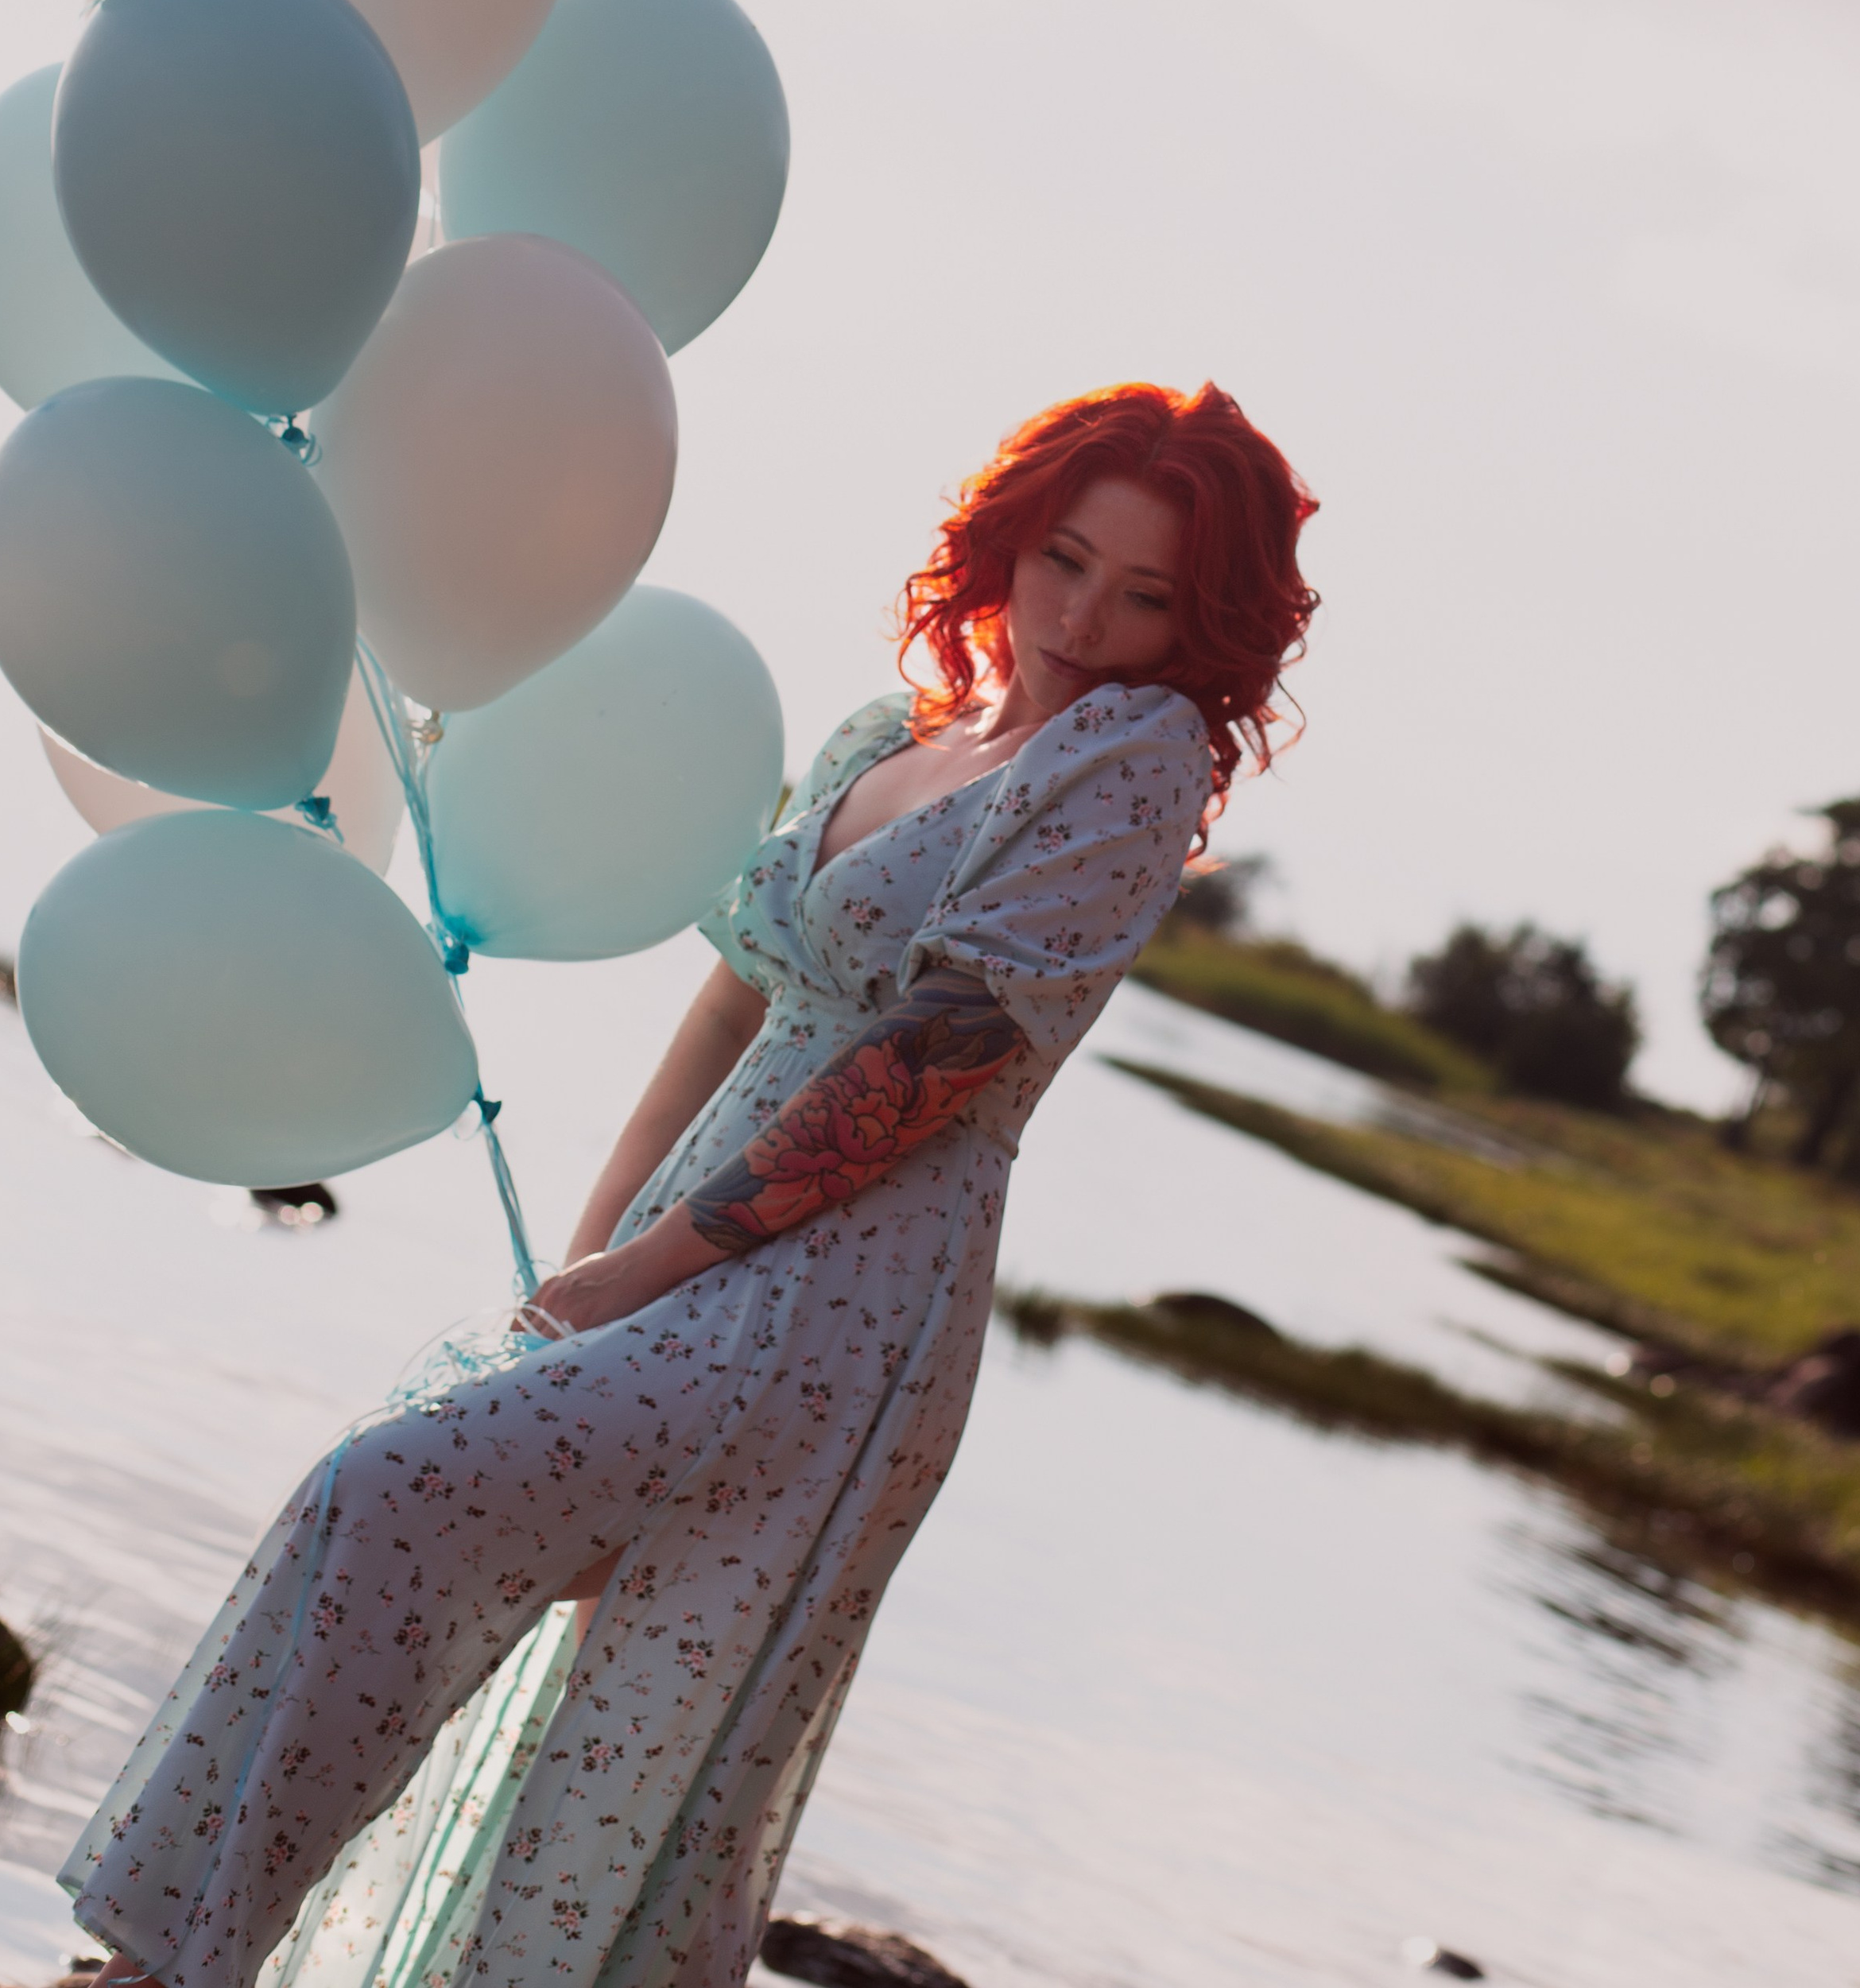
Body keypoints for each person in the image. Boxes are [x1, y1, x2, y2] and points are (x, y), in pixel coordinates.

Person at [68, 380, 1317, 1988]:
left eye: (1143, 595)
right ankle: (186, 1958)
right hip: (687, 1251)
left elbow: (931, 1064)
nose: (1080, 619)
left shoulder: (1127, 760)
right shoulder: (892, 738)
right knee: (489, 1585)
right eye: (1063, 560)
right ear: (1008, 539)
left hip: (844, 1294)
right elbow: (733, 1003)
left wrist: (650, 1272)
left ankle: (170, 1967)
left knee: (423, 1521)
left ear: (1200, 626)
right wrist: (589, 1264)